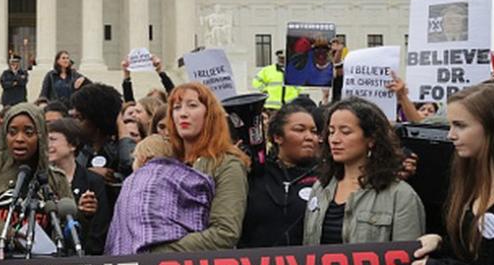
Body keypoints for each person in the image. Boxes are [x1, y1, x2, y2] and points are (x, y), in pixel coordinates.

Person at [412, 83, 494, 265]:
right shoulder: (468, 183)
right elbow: (477, 256)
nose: (450, 135)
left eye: (460, 126)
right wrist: (442, 244)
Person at [303, 97, 425, 244]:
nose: (335, 139)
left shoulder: (401, 196)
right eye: (331, 131)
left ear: (371, 138)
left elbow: (407, 258)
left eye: (345, 132)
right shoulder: (320, 187)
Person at [0, 103, 71, 258]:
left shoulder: (56, 178)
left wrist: (84, 216)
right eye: (12, 132)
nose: (19, 139)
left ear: (41, 137)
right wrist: (4, 233)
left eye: (28, 132)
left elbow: (69, 230)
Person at [150, 83, 251, 252]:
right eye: (176, 108)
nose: (183, 113)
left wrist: (163, 252)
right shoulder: (165, 162)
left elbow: (225, 233)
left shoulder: (227, 164)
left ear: (209, 115)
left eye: (192, 105)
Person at [107, 134, 215, 255]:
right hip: (183, 256)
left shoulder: (132, 181)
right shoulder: (189, 178)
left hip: (136, 261)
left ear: (144, 158)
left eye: (135, 159)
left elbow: (121, 231)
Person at [240, 103, 320, 247]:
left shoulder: (325, 177)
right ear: (277, 137)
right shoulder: (255, 173)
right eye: (300, 130)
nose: (310, 137)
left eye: (314, 131)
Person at [47, 118, 107, 255]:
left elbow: (100, 228)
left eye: (52, 139)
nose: (46, 145)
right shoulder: (41, 182)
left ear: (72, 145)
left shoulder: (93, 182)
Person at [71, 83, 134, 185]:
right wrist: (88, 173)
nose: (75, 123)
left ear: (96, 119)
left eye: (80, 118)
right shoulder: (78, 150)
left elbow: (132, 168)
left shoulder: (119, 149)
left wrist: (115, 177)